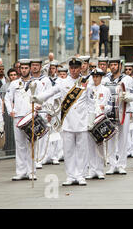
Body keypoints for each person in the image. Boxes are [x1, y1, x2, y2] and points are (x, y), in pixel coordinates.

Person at [33, 58, 95, 186]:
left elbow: (91, 103)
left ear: (80, 68)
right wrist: (38, 98)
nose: (73, 70)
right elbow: (51, 92)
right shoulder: (62, 82)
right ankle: (71, 176)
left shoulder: (86, 84)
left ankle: (81, 175)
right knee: (68, 151)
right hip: (67, 122)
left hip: (82, 122)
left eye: (76, 68)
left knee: (82, 151)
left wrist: (91, 119)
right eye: (71, 68)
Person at [5, 59, 36, 181]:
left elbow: (41, 98)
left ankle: (31, 171)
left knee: (31, 144)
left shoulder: (35, 83)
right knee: (20, 145)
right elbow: (7, 98)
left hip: (30, 116)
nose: (24, 70)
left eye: (26, 68)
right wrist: (10, 110)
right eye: (22, 68)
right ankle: (21, 171)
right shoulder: (14, 84)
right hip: (18, 116)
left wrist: (38, 107)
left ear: (30, 69)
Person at [86, 68, 112, 180]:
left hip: (100, 118)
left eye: (97, 76)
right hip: (89, 119)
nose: (95, 78)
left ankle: (100, 170)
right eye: (94, 76)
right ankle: (92, 170)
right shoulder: (88, 89)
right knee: (90, 146)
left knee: (100, 144)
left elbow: (110, 106)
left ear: (101, 77)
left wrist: (104, 108)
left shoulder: (105, 90)